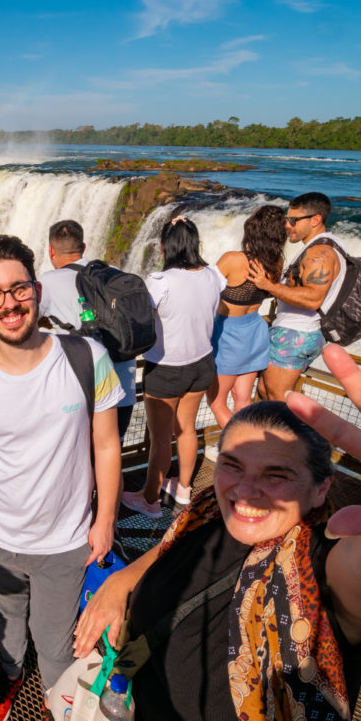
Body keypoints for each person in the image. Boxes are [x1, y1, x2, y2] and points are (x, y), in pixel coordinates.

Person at [74, 338, 361, 720]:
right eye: (232, 465)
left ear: (321, 489)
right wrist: (122, 582)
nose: (245, 490)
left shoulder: (321, 567)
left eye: (277, 475)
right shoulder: (208, 509)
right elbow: (173, 550)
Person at [0, 234, 123, 721]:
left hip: (65, 543)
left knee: (55, 646)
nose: (9, 304)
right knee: (6, 626)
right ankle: (10, 675)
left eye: (19, 289)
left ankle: (59, 699)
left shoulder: (86, 358)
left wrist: (105, 520)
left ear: (37, 289)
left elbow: (106, 444)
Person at [122, 217, 226, 516]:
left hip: (167, 368)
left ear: (165, 247)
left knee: (159, 439)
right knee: (186, 430)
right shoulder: (212, 276)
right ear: (194, 245)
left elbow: (138, 316)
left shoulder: (159, 282)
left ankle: (150, 499)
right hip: (202, 363)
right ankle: (182, 489)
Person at [38, 219, 139, 440]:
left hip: (80, 389)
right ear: (83, 247)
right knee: (113, 455)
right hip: (122, 384)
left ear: (51, 251)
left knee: (82, 458)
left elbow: (26, 320)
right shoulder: (112, 272)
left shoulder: (47, 282)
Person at [247, 192, 345, 401]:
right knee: (266, 391)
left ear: (315, 220)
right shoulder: (327, 245)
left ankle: (288, 434)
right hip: (300, 333)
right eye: (287, 220)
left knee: (278, 397)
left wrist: (269, 286)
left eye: (293, 220)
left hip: (297, 334)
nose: (287, 226)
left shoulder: (319, 253)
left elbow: (313, 299)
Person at [206, 205, 288, 432]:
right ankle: (251, 444)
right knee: (242, 399)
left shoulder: (233, 259)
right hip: (254, 331)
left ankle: (241, 446)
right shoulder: (276, 263)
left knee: (216, 401)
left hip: (228, 334)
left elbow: (204, 287)